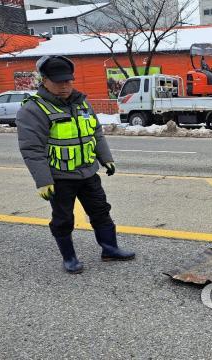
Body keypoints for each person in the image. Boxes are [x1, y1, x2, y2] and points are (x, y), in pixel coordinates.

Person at [16, 55, 135, 274]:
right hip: (59, 177)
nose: (65, 86)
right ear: (44, 80)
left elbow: (96, 132)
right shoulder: (34, 109)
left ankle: (110, 249)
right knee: (63, 219)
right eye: (58, 81)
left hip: (88, 173)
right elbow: (32, 149)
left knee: (101, 211)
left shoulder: (82, 102)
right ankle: (69, 258)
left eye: (68, 81)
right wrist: (43, 181)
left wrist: (105, 158)